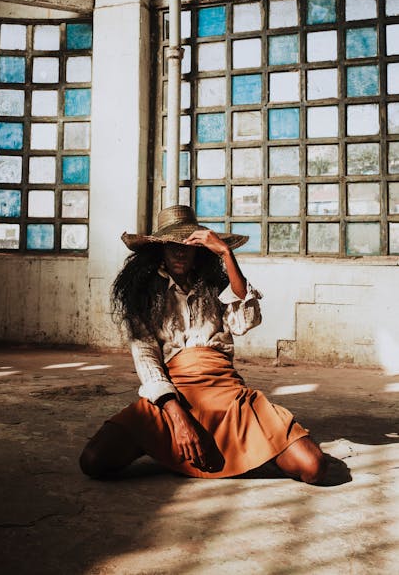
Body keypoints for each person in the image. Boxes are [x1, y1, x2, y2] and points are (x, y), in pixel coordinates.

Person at [80, 205, 327, 484]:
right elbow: (147, 359)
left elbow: (245, 322)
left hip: (227, 394)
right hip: (172, 396)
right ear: (159, 249)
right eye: (172, 245)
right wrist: (177, 418)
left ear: (200, 248)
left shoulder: (216, 286)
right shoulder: (144, 296)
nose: (180, 252)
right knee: (94, 460)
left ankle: (244, 449)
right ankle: (172, 448)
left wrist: (226, 254)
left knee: (313, 467)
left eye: (188, 244)